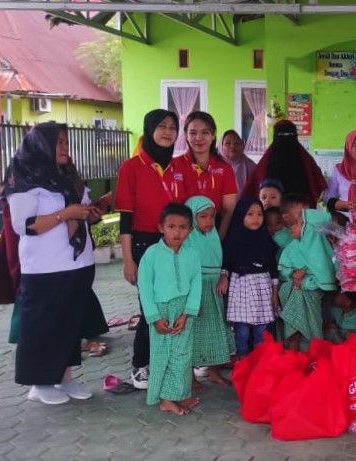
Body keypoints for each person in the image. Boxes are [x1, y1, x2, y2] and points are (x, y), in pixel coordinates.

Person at [5, 122, 100, 405]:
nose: (65, 148)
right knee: (42, 326)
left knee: (69, 324)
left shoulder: (69, 175)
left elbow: (81, 212)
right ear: (42, 145)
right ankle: (39, 382)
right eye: (58, 142)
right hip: (44, 267)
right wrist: (65, 213)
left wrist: (90, 212)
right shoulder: (25, 177)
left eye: (66, 142)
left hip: (78, 263)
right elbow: (26, 225)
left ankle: (64, 377)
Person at [115, 109, 186, 390]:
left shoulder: (180, 167)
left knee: (174, 305)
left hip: (177, 246)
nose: (168, 132)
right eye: (162, 126)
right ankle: (140, 365)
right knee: (151, 309)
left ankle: (167, 361)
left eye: (172, 127)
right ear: (149, 129)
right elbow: (125, 219)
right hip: (145, 245)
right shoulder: (131, 167)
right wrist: (128, 260)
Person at [137, 203, 201, 416]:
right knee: (162, 355)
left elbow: (196, 284)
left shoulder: (192, 254)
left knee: (182, 355)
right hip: (161, 312)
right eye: (171, 226)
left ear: (190, 230)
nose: (177, 232)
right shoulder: (152, 254)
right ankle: (165, 399)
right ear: (161, 227)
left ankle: (179, 394)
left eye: (183, 227)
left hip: (183, 311)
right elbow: (144, 287)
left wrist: (187, 313)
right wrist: (154, 317)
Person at [183, 196, 234, 389]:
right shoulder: (188, 238)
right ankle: (191, 377)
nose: (209, 221)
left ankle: (213, 372)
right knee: (192, 334)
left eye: (212, 217)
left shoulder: (213, 237)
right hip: (196, 292)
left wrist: (223, 276)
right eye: (203, 217)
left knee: (215, 331)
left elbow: (221, 261)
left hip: (214, 290)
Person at [275, 194, 337, 352]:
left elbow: (326, 217)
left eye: (299, 223)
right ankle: (294, 348)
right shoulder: (294, 245)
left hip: (312, 290)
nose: (292, 229)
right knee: (294, 298)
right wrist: (294, 275)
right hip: (296, 289)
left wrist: (305, 216)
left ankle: (312, 350)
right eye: (293, 224)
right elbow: (284, 270)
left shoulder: (314, 240)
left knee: (314, 320)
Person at [222, 197, 280, 357]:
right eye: (250, 214)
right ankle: (243, 361)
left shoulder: (266, 241)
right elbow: (226, 264)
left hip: (262, 289)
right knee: (242, 331)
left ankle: (258, 363)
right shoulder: (233, 241)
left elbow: (273, 269)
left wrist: (275, 292)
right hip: (241, 289)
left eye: (259, 214)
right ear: (240, 215)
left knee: (261, 330)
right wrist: (223, 276)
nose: (256, 218)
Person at [173, 111, 238, 238]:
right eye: (193, 133)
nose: (198, 138)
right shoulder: (175, 165)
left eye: (205, 132)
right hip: (182, 231)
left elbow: (228, 211)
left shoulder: (225, 168)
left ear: (213, 135)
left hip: (214, 228)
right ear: (186, 135)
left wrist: (218, 239)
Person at [243, 120, 327, 208]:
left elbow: (318, 186)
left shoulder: (307, 160)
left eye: (290, 135)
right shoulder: (264, 163)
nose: (286, 141)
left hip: (300, 215)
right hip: (271, 216)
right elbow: (252, 190)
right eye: (281, 136)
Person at [219, 130, 257, 196]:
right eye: (227, 143)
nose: (232, 146)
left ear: (241, 146)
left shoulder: (250, 165)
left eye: (236, 143)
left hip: (244, 204)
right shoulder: (212, 164)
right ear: (221, 146)